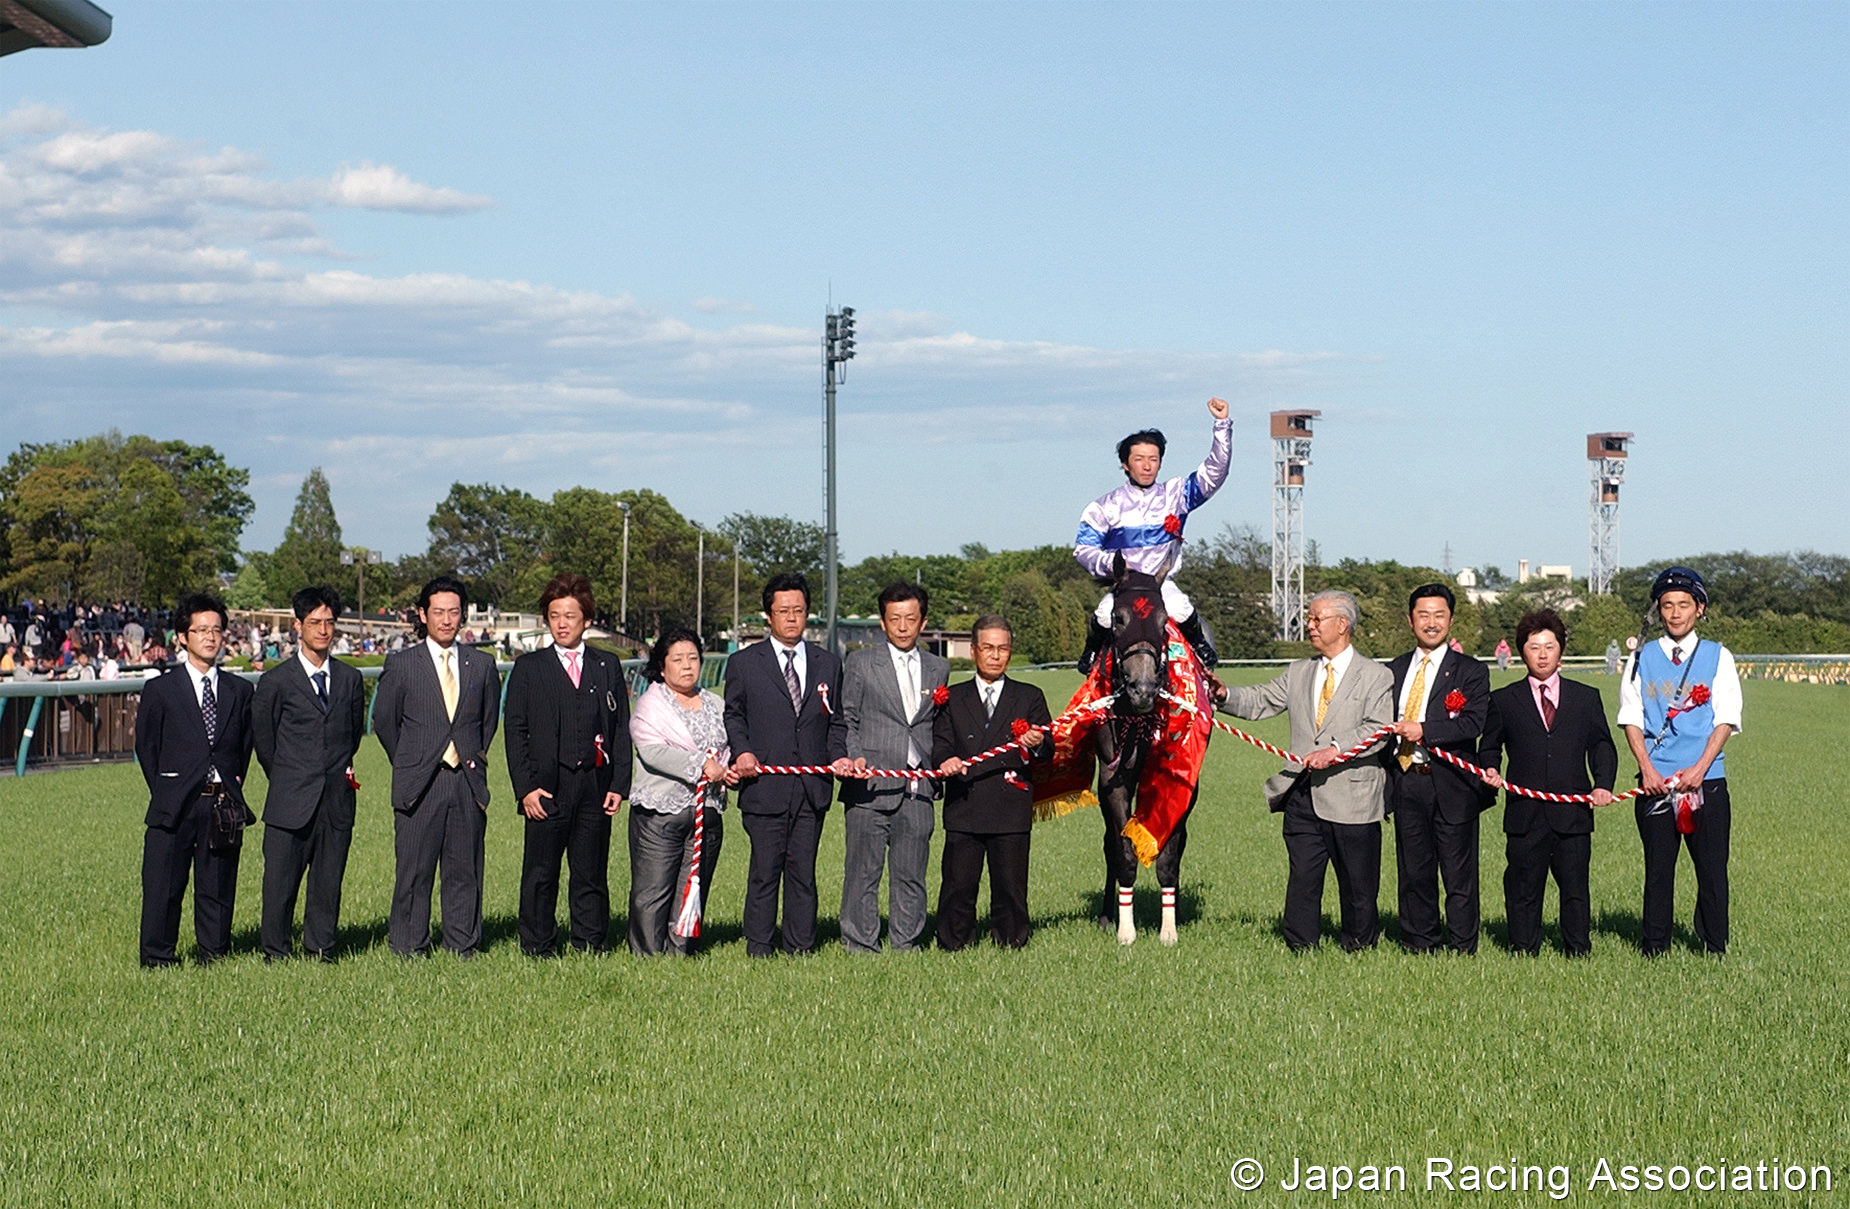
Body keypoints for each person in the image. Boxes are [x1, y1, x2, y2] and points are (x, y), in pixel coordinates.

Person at [1216, 590, 1394, 952]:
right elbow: (1260, 700)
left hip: (1354, 797)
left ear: (1342, 624)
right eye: (1309, 619)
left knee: (1358, 883)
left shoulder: (1377, 676)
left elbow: (1378, 730)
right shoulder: (1299, 672)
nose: (1309, 626)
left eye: (1316, 619)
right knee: (1302, 877)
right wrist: (1221, 695)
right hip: (1301, 794)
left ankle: (1359, 947)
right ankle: (1300, 946)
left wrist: (1336, 750)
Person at [502, 574, 631, 957]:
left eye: (570, 616)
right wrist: (524, 787)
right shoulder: (529, 667)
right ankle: (538, 945)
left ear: (586, 620)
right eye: (555, 615)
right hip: (546, 787)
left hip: (594, 784)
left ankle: (590, 942)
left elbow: (620, 729)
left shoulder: (607, 666)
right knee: (541, 873)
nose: (562, 623)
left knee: (590, 872)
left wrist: (618, 783)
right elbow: (514, 730)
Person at [1476, 609, 1617, 957]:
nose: (1542, 654)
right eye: (1534, 647)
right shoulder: (1504, 700)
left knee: (1574, 888)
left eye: (1549, 647)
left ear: (1561, 650)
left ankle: (1578, 949)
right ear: (1521, 651)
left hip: (1573, 814)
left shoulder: (1586, 698)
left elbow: (1601, 744)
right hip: (1526, 813)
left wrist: (1602, 784)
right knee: (1523, 886)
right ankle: (1524, 949)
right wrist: (1489, 770)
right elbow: (1489, 746)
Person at [1617, 566, 1742, 958]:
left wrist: (1700, 768)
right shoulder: (1642, 657)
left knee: (1711, 871)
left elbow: (1727, 717)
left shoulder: (1718, 656)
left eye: (1684, 605)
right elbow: (1631, 716)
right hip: (1656, 783)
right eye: (1667, 605)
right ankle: (1655, 948)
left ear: (1699, 609)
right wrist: (1647, 769)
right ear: (1659, 609)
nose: (1675, 613)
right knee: (1657, 872)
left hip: (1707, 781)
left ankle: (1713, 947)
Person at [373, 575, 501, 958]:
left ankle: (462, 944)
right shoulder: (402, 664)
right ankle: (409, 945)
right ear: (422, 614)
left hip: (465, 779)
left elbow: (488, 722)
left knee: (465, 870)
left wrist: (469, 754)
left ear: (463, 616)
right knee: (414, 870)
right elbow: (384, 722)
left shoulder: (481, 664)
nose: (446, 620)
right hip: (418, 782)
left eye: (454, 612)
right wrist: (413, 758)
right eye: (438, 612)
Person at [723, 573, 847, 957]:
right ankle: (759, 946)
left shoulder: (828, 663)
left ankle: (801, 946)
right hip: (765, 786)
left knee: (803, 873)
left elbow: (836, 720)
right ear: (768, 615)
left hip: (812, 787)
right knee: (764, 872)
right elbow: (734, 716)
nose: (792, 618)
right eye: (783, 611)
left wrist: (837, 755)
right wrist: (741, 752)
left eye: (799, 611)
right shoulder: (744, 663)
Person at [134, 592, 254, 967]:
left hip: (222, 802)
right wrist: (169, 786)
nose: (210, 637)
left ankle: (214, 955)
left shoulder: (240, 690)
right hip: (174, 802)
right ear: (182, 637)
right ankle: (158, 958)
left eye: (217, 630)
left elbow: (244, 748)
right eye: (201, 630)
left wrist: (229, 787)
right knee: (163, 887)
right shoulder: (160, 689)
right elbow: (146, 746)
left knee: (217, 887)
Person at [1074, 397, 1233, 673]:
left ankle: (1201, 650)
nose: (1147, 466)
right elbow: (1083, 550)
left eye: (1153, 459)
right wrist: (1112, 565)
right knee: (1102, 614)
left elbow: (1214, 474)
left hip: (1160, 585)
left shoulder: (1176, 495)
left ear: (1160, 463)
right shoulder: (1103, 506)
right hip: (1124, 586)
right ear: (1125, 464)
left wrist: (1221, 425)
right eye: (1139, 459)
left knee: (1181, 608)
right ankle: (1090, 655)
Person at [833, 582, 949, 953]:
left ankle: (907, 944)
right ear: (882, 623)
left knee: (911, 874)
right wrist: (854, 757)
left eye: (910, 619)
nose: (902, 627)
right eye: (894, 619)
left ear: (923, 622)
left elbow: (939, 725)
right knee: (862, 874)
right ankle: (860, 945)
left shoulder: (939, 668)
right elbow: (846, 720)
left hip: (918, 789)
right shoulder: (861, 663)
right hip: (869, 788)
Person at [252, 586, 365, 963]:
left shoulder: (349, 679)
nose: (323, 630)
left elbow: (352, 734)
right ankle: (276, 952)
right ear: (298, 626)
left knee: (327, 882)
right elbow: (265, 743)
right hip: (290, 799)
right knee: (280, 885)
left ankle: (322, 948)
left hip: (335, 799)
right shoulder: (276, 682)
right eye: (315, 622)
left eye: (329, 622)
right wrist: (289, 777)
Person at [1383, 583, 1492, 954]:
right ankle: (1419, 944)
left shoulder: (1471, 671)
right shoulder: (1393, 670)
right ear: (1410, 619)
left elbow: (1472, 723)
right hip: (1406, 780)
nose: (1431, 623)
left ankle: (1463, 946)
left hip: (1452, 784)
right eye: (1423, 615)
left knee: (1459, 873)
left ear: (1450, 619)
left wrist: (1424, 731)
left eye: (1439, 615)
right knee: (1414, 871)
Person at [932, 616, 1052, 950]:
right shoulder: (953, 698)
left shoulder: (1029, 696)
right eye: (988, 648)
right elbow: (940, 741)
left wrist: (1037, 741)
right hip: (964, 805)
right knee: (958, 884)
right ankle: (954, 944)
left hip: (1009, 807)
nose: (995, 655)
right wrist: (944, 760)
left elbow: (1049, 748)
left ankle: (1012, 942)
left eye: (1003, 649)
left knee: (1010, 885)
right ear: (973, 651)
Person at [628, 627, 736, 956]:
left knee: (693, 886)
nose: (687, 665)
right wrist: (703, 766)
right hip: (660, 812)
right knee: (653, 890)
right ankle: (648, 955)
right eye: (677, 659)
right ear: (662, 666)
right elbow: (652, 751)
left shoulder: (715, 703)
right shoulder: (650, 705)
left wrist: (728, 769)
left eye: (693, 658)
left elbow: (728, 746)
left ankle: (682, 951)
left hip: (706, 811)